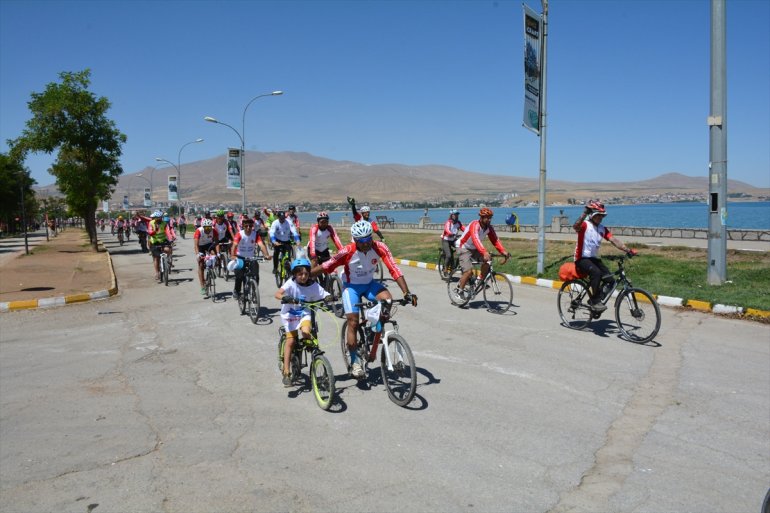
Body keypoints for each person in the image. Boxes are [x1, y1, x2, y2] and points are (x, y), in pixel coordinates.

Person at [310, 220, 417, 379]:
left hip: (369, 284)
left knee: (387, 300)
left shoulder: (380, 247)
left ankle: (372, 328)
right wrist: (305, 277)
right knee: (353, 322)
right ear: (355, 240)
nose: (367, 244)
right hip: (351, 286)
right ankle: (355, 362)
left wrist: (407, 292)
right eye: (362, 241)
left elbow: (394, 268)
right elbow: (327, 266)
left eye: (369, 239)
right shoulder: (347, 251)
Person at [274, 255, 330, 387]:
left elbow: (324, 293)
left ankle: (310, 346)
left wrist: (329, 297)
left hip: (304, 312)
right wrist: (286, 297)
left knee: (306, 332)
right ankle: (286, 371)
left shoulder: (313, 284)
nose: (303, 277)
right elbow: (277, 294)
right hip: (290, 314)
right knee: (291, 341)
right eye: (300, 274)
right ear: (294, 274)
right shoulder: (290, 283)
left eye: (306, 273)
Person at [573, 200, 636, 312]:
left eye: (602, 216)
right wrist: (584, 213)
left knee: (610, 280)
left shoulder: (602, 228)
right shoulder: (585, 225)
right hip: (581, 258)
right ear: (592, 215)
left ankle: (598, 299)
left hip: (593, 259)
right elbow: (575, 226)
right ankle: (595, 301)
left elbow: (614, 240)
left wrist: (628, 250)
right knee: (596, 273)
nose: (600, 218)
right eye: (598, 215)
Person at [453, 208, 511, 300]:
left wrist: (503, 251)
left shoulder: (489, 228)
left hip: (474, 248)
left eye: (490, 217)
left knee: (488, 260)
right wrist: (484, 252)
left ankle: (479, 280)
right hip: (463, 247)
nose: (489, 219)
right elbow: (475, 239)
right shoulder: (474, 225)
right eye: (487, 217)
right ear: (481, 217)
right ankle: (459, 291)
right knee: (468, 272)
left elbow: (495, 240)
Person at [230, 217, 264, 299]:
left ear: (252, 226)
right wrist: (233, 255)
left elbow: (261, 245)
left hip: (251, 257)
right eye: (246, 226)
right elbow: (234, 245)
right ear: (243, 226)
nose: (248, 227)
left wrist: (266, 255)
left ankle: (254, 288)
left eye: (250, 226)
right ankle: (236, 291)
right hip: (240, 257)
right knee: (239, 276)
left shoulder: (255, 234)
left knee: (256, 275)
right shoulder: (239, 234)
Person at [269, 210, 300, 275]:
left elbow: (294, 231)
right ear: (278, 217)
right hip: (278, 241)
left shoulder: (289, 222)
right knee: (276, 254)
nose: (282, 219)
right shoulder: (275, 223)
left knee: (288, 256)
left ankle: (288, 269)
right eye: (281, 218)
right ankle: (275, 267)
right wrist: (274, 241)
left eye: (283, 218)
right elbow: (271, 233)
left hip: (286, 241)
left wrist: (297, 240)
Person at [193, 218, 220, 296]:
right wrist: (198, 254)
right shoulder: (199, 231)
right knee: (201, 264)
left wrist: (218, 253)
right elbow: (196, 245)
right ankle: (202, 286)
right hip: (200, 246)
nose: (208, 229)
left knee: (214, 255)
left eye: (209, 227)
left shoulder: (213, 230)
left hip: (209, 245)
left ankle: (212, 268)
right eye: (206, 228)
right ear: (203, 227)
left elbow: (217, 243)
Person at [148, 210, 175, 281]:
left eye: (160, 218)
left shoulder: (164, 223)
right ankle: (157, 273)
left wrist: (171, 238)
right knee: (156, 258)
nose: (159, 219)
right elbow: (150, 233)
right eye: (157, 218)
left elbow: (168, 232)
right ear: (155, 218)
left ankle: (168, 261)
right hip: (155, 242)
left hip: (163, 240)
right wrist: (155, 230)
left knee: (168, 250)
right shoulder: (151, 223)